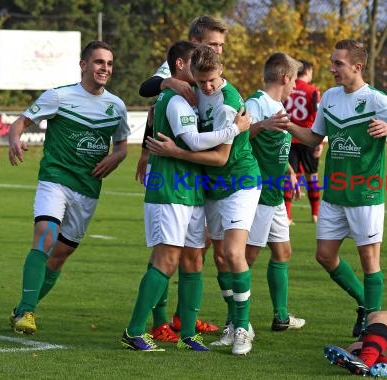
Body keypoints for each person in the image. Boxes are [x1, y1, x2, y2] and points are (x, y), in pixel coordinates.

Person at [121, 41, 250, 352]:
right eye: (195, 63)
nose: (202, 77)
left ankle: (189, 334)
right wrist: (235, 129)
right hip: (169, 190)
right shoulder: (176, 99)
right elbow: (192, 141)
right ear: (181, 65)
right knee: (166, 260)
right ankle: (134, 331)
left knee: (193, 260)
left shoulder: (194, 97)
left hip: (191, 191)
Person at [285, 39, 387, 338]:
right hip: (334, 194)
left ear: (356, 67)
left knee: (370, 262)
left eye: (338, 64)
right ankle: (365, 304)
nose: (332, 68)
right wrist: (288, 125)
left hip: (365, 195)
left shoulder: (376, 100)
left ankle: (374, 328)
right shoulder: (329, 97)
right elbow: (313, 137)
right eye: (332, 62)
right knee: (324, 256)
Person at [7, 40, 130, 334]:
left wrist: (116, 157)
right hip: (55, 179)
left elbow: (123, 144)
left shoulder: (117, 106)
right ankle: (26, 311)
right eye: (99, 62)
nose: (105, 68)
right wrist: (14, 139)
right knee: (45, 238)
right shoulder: (59, 96)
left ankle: (23, 307)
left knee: (60, 255)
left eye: (110, 64)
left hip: (87, 188)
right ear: (84, 64)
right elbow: (20, 123)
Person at [136, 15, 228, 340]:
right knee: (167, 254)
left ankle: (185, 323)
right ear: (197, 41)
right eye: (213, 44)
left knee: (193, 254)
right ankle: (157, 321)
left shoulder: (210, 79)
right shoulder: (177, 82)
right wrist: (168, 82)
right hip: (173, 180)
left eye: (220, 45)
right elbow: (146, 91)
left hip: (195, 183)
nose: (218, 50)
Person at [244, 52, 306, 331]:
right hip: (257, 195)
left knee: (283, 252)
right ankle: (235, 321)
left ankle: (280, 316)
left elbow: (277, 149)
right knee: (245, 258)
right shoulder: (256, 104)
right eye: (294, 80)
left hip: (275, 194)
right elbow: (237, 135)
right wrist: (261, 125)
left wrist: (290, 172)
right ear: (285, 77)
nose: (296, 86)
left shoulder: (278, 105)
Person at [283, 60, 322, 224]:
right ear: (307, 71)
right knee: (312, 176)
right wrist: (319, 141)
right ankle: (315, 215)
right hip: (307, 137)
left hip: (289, 137)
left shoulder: (286, 88)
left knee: (289, 176)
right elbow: (319, 115)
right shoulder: (313, 91)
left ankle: (287, 216)